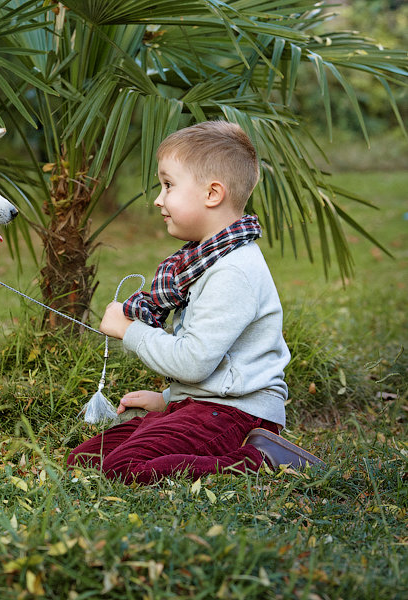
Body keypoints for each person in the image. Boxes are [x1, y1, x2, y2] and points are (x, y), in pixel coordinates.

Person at [67, 120, 322, 483]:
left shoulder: (234, 271)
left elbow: (194, 361)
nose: (158, 198)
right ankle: (181, 422)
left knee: (123, 469)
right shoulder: (203, 260)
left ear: (212, 194)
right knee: (87, 459)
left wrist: (131, 331)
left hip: (236, 414)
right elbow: (217, 358)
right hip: (206, 406)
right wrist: (169, 399)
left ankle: (261, 459)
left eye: (168, 185)